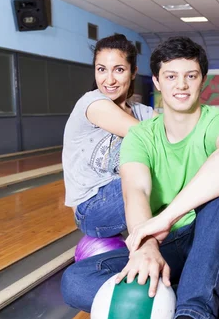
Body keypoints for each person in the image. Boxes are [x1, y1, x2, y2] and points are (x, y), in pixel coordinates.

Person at [61, 36, 219, 319]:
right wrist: (146, 246)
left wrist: (162, 220)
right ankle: (213, 291)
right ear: (156, 81)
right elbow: (135, 190)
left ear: (203, 79)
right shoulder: (142, 135)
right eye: (171, 76)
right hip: (174, 246)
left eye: (190, 75)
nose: (181, 84)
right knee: (76, 280)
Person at [62, 34, 154, 238]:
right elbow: (147, 136)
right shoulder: (92, 103)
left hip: (125, 195)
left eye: (119, 70)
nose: (109, 80)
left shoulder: (142, 112)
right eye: (101, 69)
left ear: (133, 73)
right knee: (163, 175)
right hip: (92, 210)